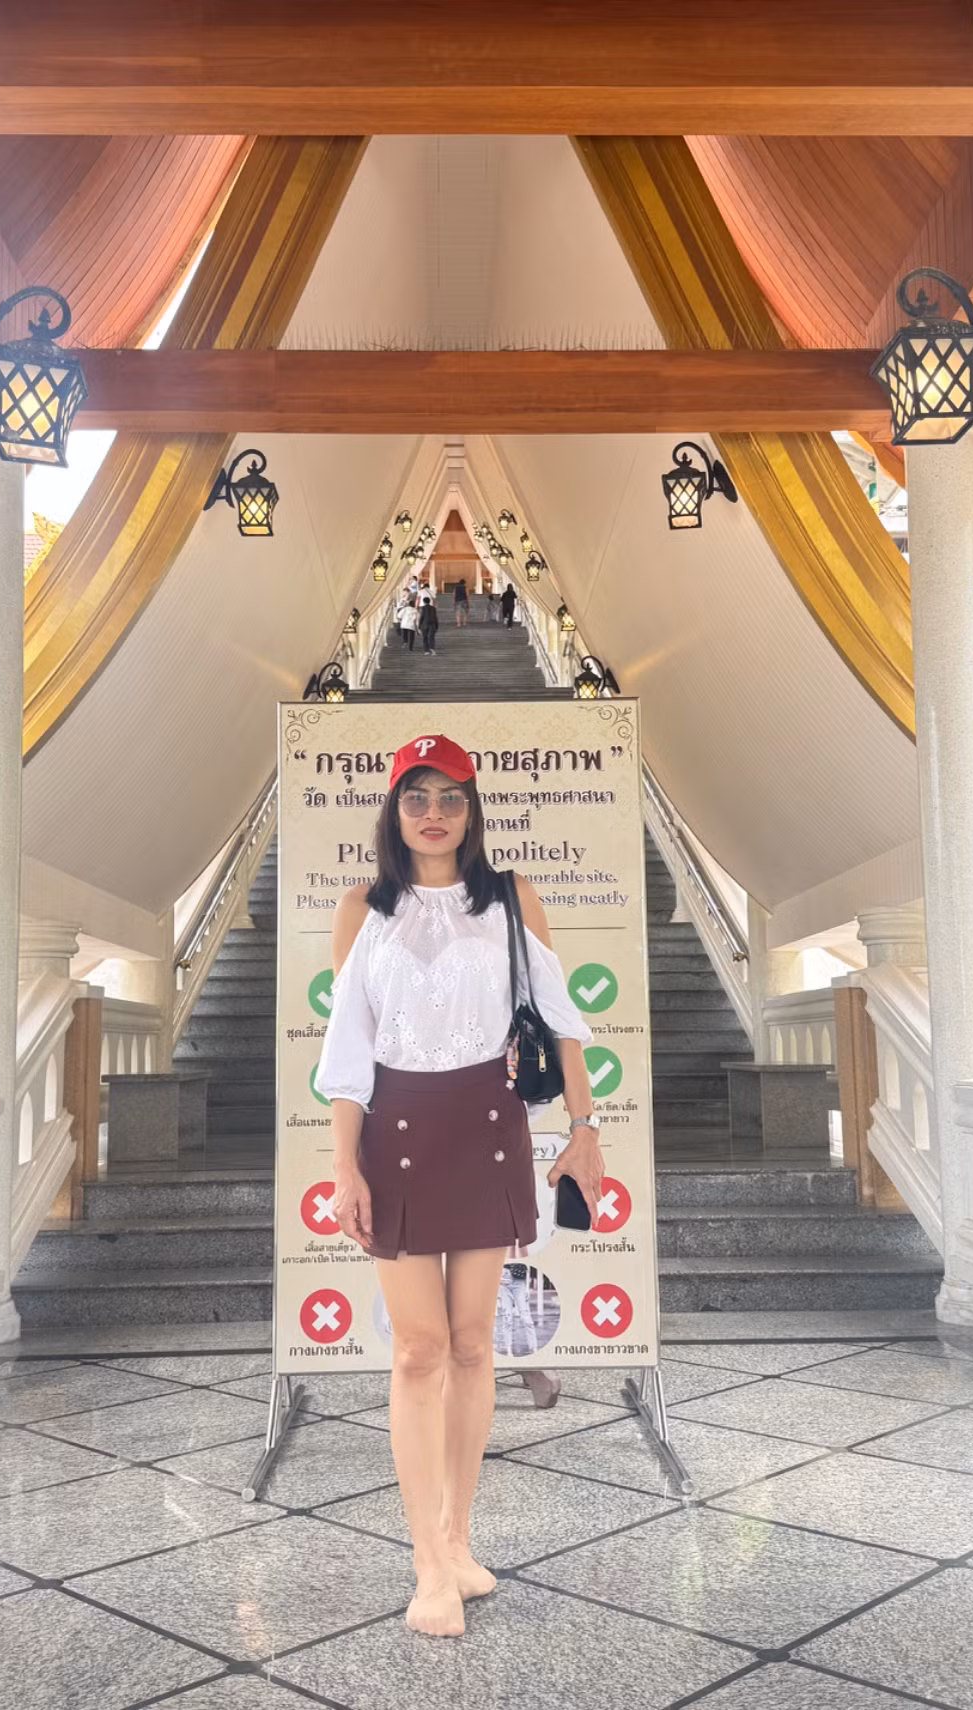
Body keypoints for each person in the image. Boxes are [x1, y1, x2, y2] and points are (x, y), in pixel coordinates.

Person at [316, 734, 603, 1637]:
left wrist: (585, 1128)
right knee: (418, 1349)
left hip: (488, 1126)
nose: (434, 813)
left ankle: (458, 1538)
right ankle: (426, 1565)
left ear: (473, 810)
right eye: (417, 797)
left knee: (476, 1344)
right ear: (393, 810)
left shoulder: (512, 898)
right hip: (394, 1129)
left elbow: (561, 1020)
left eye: (451, 797)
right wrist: (342, 1164)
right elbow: (348, 1050)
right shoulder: (361, 907)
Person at [418, 588, 439, 655]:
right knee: (431, 637)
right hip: (432, 624)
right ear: (430, 601)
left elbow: (421, 617)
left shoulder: (423, 608)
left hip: (424, 625)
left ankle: (426, 651)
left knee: (425, 638)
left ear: (423, 602)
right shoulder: (433, 608)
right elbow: (435, 617)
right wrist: (436, 626)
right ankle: (432, 649)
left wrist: (419, 626)